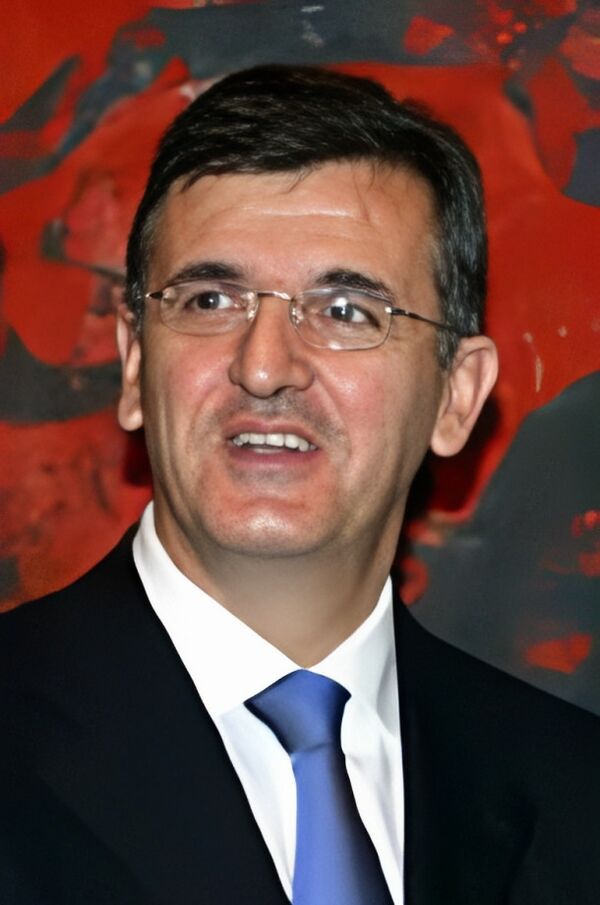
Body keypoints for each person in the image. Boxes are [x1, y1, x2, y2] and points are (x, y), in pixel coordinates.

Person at [2, 65, 599, 905]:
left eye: (346, 311)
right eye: (211, 300)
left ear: (456, 396)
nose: (264, 365)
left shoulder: (576, 795)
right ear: (134, 366)